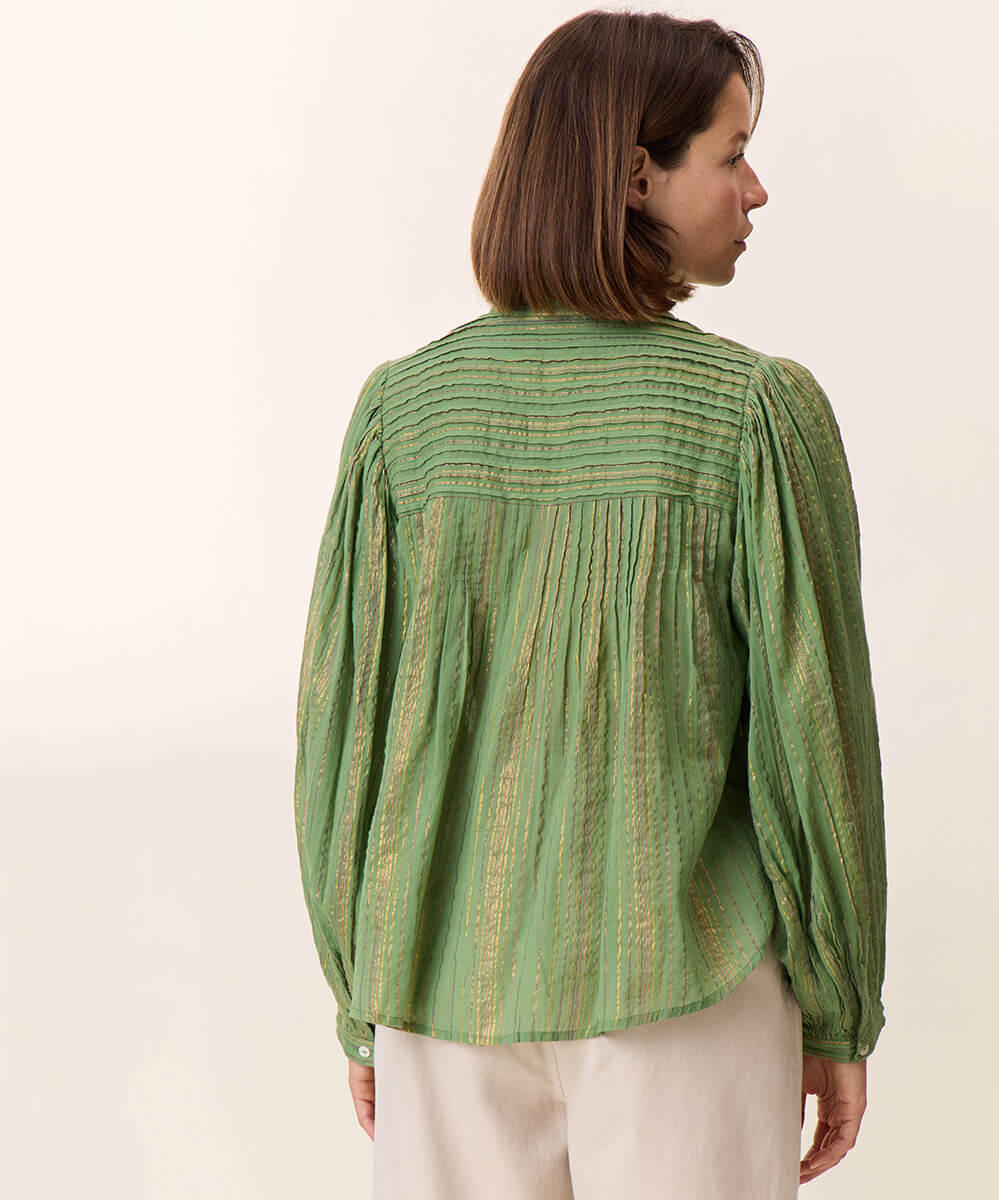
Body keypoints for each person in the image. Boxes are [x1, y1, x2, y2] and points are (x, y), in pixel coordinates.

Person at [292, 10, 887, 1197]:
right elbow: (814, 743)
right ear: (635, 175)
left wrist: (363, 993)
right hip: (689, 994)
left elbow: (340, 741)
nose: (757, 189)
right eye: (732, 154)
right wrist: (838, 1004)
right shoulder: (753, 417)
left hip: (442, 992)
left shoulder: (403, 417)